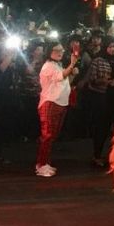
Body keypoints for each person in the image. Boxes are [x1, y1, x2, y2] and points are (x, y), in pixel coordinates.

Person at [35, 41, 79, 177]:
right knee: (47, 135)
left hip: (59, 103)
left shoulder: (57, 65)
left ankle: (45, 162)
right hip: (50, 103)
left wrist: (72, 73)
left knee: (52, 135)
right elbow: (62, 76)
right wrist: (72, 64)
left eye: (61, 50)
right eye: (56, 50)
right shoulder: (48, 66)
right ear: (49, 51)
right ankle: (41, 164)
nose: (60, 52)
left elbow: (64, 82)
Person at [86, 36, 114, 168]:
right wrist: (105, 81)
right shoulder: (97, 60)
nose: (112, 49)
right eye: (110, 46)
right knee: (101, 128)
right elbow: (92, 79)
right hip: (102, 98)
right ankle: (97, 155)